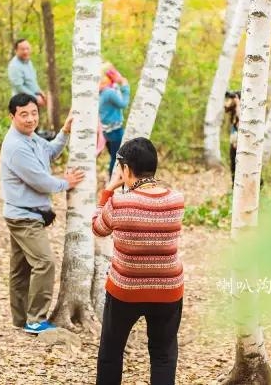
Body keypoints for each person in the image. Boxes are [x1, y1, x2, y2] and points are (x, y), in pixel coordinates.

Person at [92, 137, 185, 385]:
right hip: (168, 290)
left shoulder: (119, 202)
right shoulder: (176, 200)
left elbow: (98, 227)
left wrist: (109, 189)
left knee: (111, 352)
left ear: (126, 169)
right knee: (163, 354)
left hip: (125, 290)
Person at [0, 93, 85, 334]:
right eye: (23, 114)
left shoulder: (30, 137)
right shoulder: (16, 146)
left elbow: (48, 152)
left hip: (26, 213)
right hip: (23, 217)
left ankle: (20, 319)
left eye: (34, 113)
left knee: (20, 269)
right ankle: (35, 320)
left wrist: (65, 132)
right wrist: (65, 183)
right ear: (12, 116)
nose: (30, 119)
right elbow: (40, 181)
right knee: (44, 263)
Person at [99, 63, 130, 178]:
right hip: (114, 130)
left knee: (114, 156)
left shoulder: (104, 90)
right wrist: (125, 86)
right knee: (117, 157)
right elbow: (123, 103)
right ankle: (112, 181)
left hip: (107, 130)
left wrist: (118, 83)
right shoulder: (109, 92)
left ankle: (112, 180)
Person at [7, 39, 47, 107]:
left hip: (31, 101)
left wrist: (40, 92)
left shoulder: (28, 62)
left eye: (27, 48)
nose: (25, 51)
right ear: (16, 51)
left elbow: (31, 82)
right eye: (22, 49)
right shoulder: (14, 66)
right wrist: (35, 97)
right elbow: (19, 87)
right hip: (21, 103)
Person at [224, 90, 240, 184]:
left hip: (241, 143)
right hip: (233, 142)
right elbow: (225, 108)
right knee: (233, 166)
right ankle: (234, 187)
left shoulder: (242, 109)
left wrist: (238, 103)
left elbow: (240, 116)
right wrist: (231, 100)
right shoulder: (233, 108)